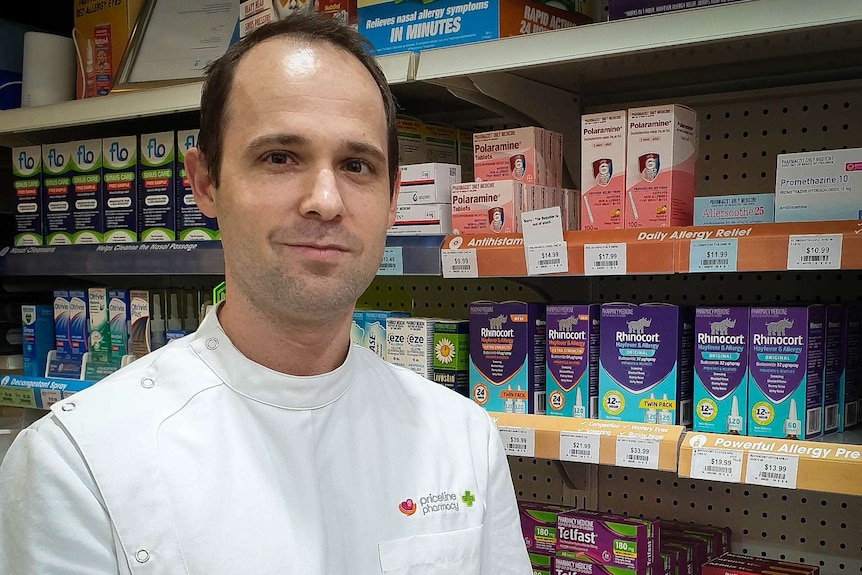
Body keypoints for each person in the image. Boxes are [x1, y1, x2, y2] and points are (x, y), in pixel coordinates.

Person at [0, 14, 531, 575]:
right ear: (205, 182)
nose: (325, 200)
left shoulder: (463, 436)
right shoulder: (78, 462)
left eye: (357, 165)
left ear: (393, 200)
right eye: (280, 157)